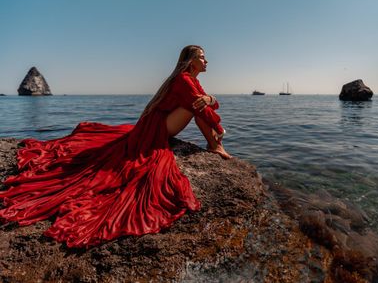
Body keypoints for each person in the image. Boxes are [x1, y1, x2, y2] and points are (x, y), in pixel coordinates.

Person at [0, 45, 230, 248]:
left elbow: (211, 104)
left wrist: (210, 100)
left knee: (200, 104)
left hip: (157, 124)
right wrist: (217, 126)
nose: (206, 61)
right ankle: (215, 145)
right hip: (156, 128)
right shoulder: (183, 80)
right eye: (202, 57)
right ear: (191, 61)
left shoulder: (191, 80)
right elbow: (204, 108)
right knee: (196, 106)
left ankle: (215, 143)